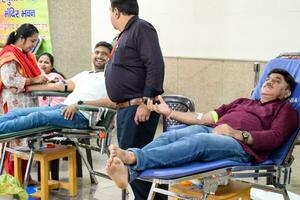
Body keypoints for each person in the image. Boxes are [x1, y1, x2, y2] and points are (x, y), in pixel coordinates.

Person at [105, 68, 298, 190]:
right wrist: (169, 112)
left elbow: (275, 137)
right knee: (172, 136)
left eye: (277, 80)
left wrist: (236, 133)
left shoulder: (286, 110)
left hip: (241, 146)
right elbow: (204, 118)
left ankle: (134, 157)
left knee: (198, 142)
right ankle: (129, 173)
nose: (269, 81)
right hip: (211, 131)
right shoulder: (242, 101)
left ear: (287, 92)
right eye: (268, 78)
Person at [105, 0, 165, 198]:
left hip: (138, 107)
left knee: (137, 162)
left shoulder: (141, 28)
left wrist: (146, 103)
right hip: (126, 109)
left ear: (116, 11)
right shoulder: (124, 35)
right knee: (132, 163)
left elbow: (155, 65)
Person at [0, 41, 115, 134]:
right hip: (63, 108)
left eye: (104, 54)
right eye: (97, 52)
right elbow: (58, 86)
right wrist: (25, 88)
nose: (99, 56)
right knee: (16, 113)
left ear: (111, 57)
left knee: (37, 117)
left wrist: (79, 104)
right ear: (92, 54)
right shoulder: (85, 74)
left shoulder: (113, 78)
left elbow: (112, 102)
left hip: (81, 115)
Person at [0, 23, 48, 180]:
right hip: (14, 103)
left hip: (28, 102)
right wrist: (33, 80)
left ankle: (26, 176)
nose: (34, 45)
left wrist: (39, 79)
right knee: (15, 140)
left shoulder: (29, 55)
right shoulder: (9, 55)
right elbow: (9, 80)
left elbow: (37, 75)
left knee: (28, 140)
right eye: (32, 41)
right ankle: (14, 178)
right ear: (21, 38)